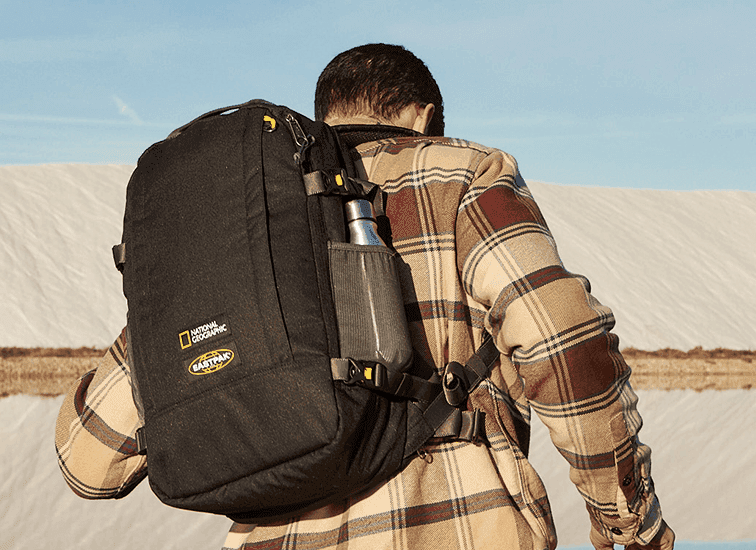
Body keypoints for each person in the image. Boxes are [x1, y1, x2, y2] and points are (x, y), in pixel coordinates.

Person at [56, 43, 674, 550]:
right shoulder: (461, 174)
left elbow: (86, 461)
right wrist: (627, 519)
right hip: (459, 526)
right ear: (424, 118)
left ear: (323, 119)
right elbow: (560, 339)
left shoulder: (245, 233)